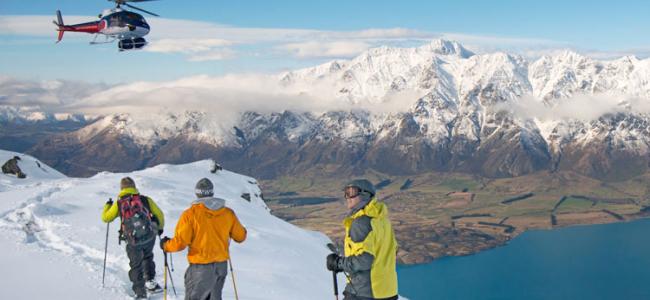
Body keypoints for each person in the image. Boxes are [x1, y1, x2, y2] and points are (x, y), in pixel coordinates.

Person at [160, 178, 247, 300]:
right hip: (221, 266)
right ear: (212, 192)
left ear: (197, 193)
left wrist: (166, 245)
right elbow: (241, 236)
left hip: (200, 267)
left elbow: (180, 243)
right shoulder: (228, 213)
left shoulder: (190, 214)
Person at [326, 179, 399, 300]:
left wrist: (338, 263)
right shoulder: (382, 221)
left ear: (366, 194)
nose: (347, 197)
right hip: (387, 291)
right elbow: (392, 250)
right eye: (346, 192)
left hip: (364, 292)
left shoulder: (361, 222)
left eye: (352, 192)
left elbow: (364, 260)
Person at [102, 177, 165, 299]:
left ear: (122, 188)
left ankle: (140, 293)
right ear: (134, 186)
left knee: (135, 265)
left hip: (132, 239)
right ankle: (151, 283)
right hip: (149, 235)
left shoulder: (119, 203)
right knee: (147, 256)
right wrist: (160, 228)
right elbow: (159, 214)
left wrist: (107, 206)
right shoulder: (145, 199)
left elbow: (106, 218)